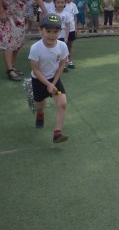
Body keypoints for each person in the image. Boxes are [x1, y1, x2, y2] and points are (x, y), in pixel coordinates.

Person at [28, 13, 70, 143]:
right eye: (48, 31)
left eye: (55, 32)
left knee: (62, 103)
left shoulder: (62, 46)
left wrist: (53, 83)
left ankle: (57, 133)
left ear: (60, 32)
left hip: (54, 79)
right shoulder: (35, 48)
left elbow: (61, 65)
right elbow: (35, 69)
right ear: (40, 30)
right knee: (41, 105)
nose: (51, 35)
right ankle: (40, 114)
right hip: (38, 80)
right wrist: (48, 84)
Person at [63, 0, 79, 69]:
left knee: (70, 46)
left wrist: (76, 29)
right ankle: (62, 63)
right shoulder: (61, 4)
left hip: (72, 29)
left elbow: (75, 18)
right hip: (63, 30)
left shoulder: (74, 5)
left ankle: (70, 60)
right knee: (62, 46)